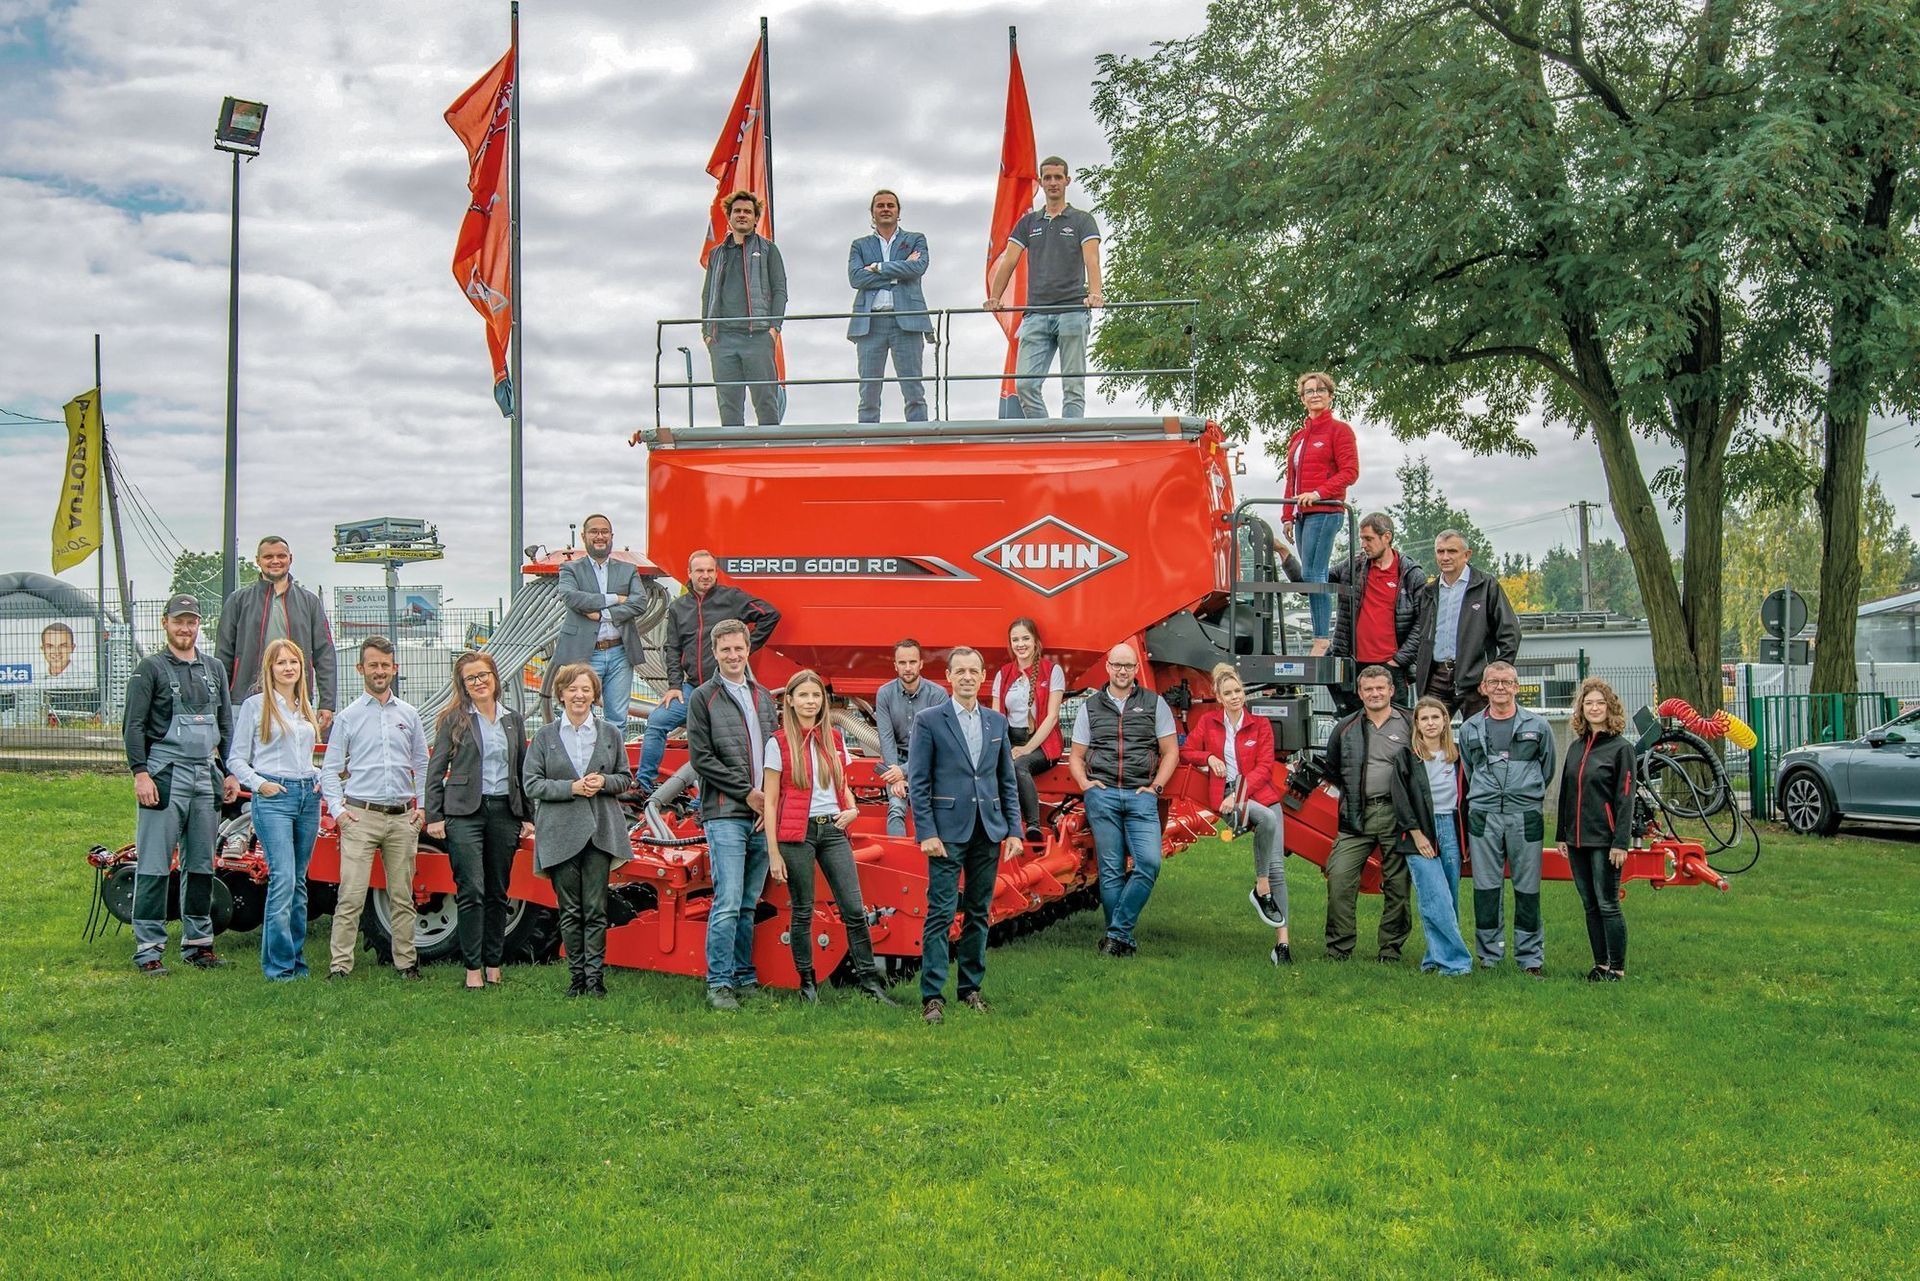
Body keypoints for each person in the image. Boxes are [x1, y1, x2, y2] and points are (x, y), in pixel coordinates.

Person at [762, 670, 898, 1005]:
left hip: (834, 830)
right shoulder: (777, 743)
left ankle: (870, 984)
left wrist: (852, 810)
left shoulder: (834, 739)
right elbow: (770, 800)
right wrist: (774, 853)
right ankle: (808, 985)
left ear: (824, 702)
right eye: (804, 696)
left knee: (853, 908)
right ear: (790, 701)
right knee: (803, 910)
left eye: (816, 696)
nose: (811, 702)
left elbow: (842, 786)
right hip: (797, 835)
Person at [907, 646, 1024, 1025]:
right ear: (949, 677)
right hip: (946, 834)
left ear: (983, 675)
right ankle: (933, 997)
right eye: (961, 671)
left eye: (974, 671)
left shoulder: (996, 723)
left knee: (978, 913)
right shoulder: (930, 720)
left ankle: (971, 989)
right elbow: (919, 781)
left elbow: (1007, 781)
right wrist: (926, 831)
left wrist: (1014, 830)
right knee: (940, 914)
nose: (968, 677)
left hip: (987, 831)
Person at [124, 594, 240, 975]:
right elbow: (134, 726)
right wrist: (140, 773)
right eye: (179, 621)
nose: (185, 628)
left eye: (191, 621)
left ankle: (198, 944)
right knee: (155, 865)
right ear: (165, 623)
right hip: (164, 774)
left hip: (206, 774)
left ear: (198, 625)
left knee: (203, 865)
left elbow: (225, 725)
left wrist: (229, 771)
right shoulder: (150, 669)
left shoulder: (214, 669)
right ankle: (149, 948)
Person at [320, 636, 429, 981]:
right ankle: (340, 966)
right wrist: (338, 811)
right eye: (373, 665)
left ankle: (406, 963)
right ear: (360, 669)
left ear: (394, 668)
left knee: (402, 896)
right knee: (351, 897)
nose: (379, 671)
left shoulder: (409, 715)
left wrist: (422, 808)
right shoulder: (349, 718)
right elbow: (330, 768)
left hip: (401, 818)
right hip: (360, 816)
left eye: (385, 665)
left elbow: (422, 764)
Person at [523, 663, 633, 998]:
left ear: (594, 696)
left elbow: (625, 779)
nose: (579, 695)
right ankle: (576, 979)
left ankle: (595, 979)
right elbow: (532, 783)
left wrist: (603, 782)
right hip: (559, 831)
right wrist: (570, 788)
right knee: (570, 909)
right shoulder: (544, 737)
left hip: (599, 831)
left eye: (585, 689)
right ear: (560, 694)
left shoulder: (610, 734)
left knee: (595, 908)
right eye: (572, 689)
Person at [425, 651, 533, 990]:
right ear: (463, 684)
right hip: (464, 814)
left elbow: (522, 770)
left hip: (504, 812)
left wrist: (527, 816)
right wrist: (434, 815)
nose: (479, 682)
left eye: (484, 674)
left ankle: (493, 963)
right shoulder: (454, 719)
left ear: (495, 677)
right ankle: (472, 967)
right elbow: (435, 768)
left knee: (499, 892)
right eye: (471, 678)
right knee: (471, 889)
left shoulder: (513, 719)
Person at [686, 618, 780, 1010]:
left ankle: (744, 975)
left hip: (761, 815)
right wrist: (748, 793)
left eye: (738, 648)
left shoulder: (763, 698)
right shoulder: (703, 698)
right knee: (727, 899)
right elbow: (701, 759)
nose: (733, 655)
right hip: (726, 812)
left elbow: (776, 754)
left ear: (747, 649)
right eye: (725, 649)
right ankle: (719, 983)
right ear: (715, 652)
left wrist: (770, 804)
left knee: (748, 902)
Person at [1067, 643, 1178, 956]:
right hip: (1102, 797)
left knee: (1149, 863)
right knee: (1111, 870)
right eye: (1117, 665)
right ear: (1108, 667)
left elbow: (1170, 752)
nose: (1122, 671)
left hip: (1141, 795)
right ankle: (1118, 942)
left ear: (1135, 670)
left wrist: (1156, 787)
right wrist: (1086, 785)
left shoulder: (1154, 704)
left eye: (1128, 666)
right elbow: (1077, 755)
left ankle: (1117, 935)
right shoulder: (1090, 707)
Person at [637, 550, 781, 790]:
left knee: (717, 742)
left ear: (716, 573)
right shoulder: (678, 608)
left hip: (726, 690)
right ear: (689, 574)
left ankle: (700, 802)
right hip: (692, 689)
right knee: (657, 721)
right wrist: (674, 686)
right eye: (700, 571)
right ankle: (643, 786)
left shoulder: (732, 598)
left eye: (710, 571)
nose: (705, 576)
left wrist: (745, 649)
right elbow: (672, 648)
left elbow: (770, 615)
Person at [1180, 663, 1291, 965]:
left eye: (1238, 691)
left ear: (1244, 692)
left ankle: (1282, 944)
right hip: (1229, 800)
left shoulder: (1260, 725)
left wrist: (1238, 795)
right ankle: (1260, 885)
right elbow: (1187, 752)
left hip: (1257, 794)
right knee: (1266, 820)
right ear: (1218, 696)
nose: (1234, 697)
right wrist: (1210, 756)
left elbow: (1265, 768)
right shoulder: (1208, 723)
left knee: (1278, 867)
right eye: (1227, 693)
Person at [227, 637, 321, 980]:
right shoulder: (256, 706)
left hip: (306, 796)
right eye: (281, 663)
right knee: (282, 878)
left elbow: (305, 757)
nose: (288, 668)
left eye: (293, 662)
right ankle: (279, 966)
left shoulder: (303, 705)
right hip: (274, 796)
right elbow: (235, 758)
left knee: (298, 881)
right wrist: (258, 784)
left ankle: (297, 960)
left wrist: (318, 775)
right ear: (270, 668)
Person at [1456, 660, 1556, 975]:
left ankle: (1530, 959)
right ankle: (1490, 956)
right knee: (1486, 887)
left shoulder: (1538, 726)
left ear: (1516, 687)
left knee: (1527, 888)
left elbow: (1548, 768)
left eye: (1507, 682)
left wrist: (1524, 792)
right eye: (1494, 682)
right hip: (1483, 815)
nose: (1500, 687)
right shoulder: (1469, 728)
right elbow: (1469, 771)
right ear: (1483, 688)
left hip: (1524, 815)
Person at [984, 156, 1103, 419]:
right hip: (1036, 313)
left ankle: (1070, 441)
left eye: (1058, 177)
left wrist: (1096, 293)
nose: (1052, 183)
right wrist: (995, 297)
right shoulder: (1029, 223)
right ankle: (1049, 435)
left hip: (1072, 309)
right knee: (1025, 384)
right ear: (1041, 181)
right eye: (1047, 178)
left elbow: (1091, 259)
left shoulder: (1082, 220)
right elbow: (1009, 260)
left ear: (1067, 181)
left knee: (1073, 386)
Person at [1319, 665, 1414, 962]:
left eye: (1380, 688)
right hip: (1356, 817)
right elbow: (1333, 770)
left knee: (1398, 887)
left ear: (1391, 690)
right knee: (1339, 879)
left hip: (1397, 815)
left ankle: (1390, 949)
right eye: (1368, 689)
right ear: (1360, 693)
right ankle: (1339, 948)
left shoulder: (1410, 723)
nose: (1374, 693)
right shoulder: (1345, 728)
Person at [1556, 677, 1637, 982]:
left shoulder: (1621, 749)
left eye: (1599, 703)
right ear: (1581, 709)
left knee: (1607, 903)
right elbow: (1566, 791)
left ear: (1610, 707)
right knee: (1589, 904)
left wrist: (1620, 842)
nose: (1594, 708)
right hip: (1576, 839)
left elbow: (1624, 798)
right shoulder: (1576, 748)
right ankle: (1600, 963)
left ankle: (1617, 967)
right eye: (1588, 703)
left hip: (1605, 840)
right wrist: (1562, 835)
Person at [216, 535, 338, 731]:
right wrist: (219, 702)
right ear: (258, 561)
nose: (275, 561)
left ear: (290, 558)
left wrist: (327, 703)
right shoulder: (238, 601)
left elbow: (325, 654)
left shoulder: (309, 602)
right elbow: (223, 654)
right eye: (268, 557)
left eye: (281, 556)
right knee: (243, 758)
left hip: (296, 699)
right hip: (245, 699)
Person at [1389, 697, 1474, 977]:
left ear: (1445, 721)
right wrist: (1416, 835)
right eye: (1424, 718)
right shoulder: (1407, 756)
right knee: (1433, 896)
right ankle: (1457, 963)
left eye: (1435, 718)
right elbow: (1400, 800)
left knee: (1448, 898)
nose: (1430, 723)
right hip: (1420, 830)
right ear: (1416, 723)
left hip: (1450, 827)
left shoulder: (1458, 755)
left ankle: (1433, 958)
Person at [553, 514, 651, 739]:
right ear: (584, 536)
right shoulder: (570, 569)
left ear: (611, 536)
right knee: (577, 712)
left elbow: (639, 602)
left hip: (620, 652)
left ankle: (612, 770)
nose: (600, 536)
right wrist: (616, 598)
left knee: (617, 718)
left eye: (604, 532)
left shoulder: (628, 570)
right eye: (594, 532)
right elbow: (570, 596)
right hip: (584, 654)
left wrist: (602, 614)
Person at [1282, 372, 1359, 654]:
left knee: (1316, 574)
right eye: (1309, 391)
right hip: (1302, 514)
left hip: (1325, 511)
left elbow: (1350, 472)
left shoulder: (1339, 431)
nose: (1315, 394)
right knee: (1310, 575)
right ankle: (1319, 635)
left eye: (1320, 390)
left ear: (1330, 395)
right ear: (1302, 399)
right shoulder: (1299, 437)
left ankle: (1321, 639)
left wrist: (1318, 493)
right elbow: (1291, 479)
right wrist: (1287, 514)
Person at [1411, 529, 1521, 719]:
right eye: (1440, 551)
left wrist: (1495, 676)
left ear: (1467, 555)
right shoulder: (1429, 592)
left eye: (1452, 551)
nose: (1445, 557)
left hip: (1476, 680)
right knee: (1429, 735)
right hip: (1435, 678)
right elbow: (1419, 634)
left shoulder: (1486, 586)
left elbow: (1510, 633)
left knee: (1480, 738)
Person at [702, 189, 787, 426]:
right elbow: (707, 294)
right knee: (728, 405)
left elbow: (780, 291)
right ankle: (732, 457)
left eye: (747, 211)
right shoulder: (717, 254)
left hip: (758, 336)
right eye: (737, 211)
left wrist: (774, 329)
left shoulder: (769, 249)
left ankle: (770, 456)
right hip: (723, 339)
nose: (742, 215)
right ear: (729, 216)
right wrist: (707, 334)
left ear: (756, 218)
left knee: (766, 402)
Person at [846, 188, 931, 422]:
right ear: (872, 212)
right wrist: (898, 271)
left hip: (907, 322)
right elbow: (856, 278)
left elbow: (917, 267)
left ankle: (918, 441)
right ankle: (867, 444)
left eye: (890, 205)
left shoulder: (915, 239)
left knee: (913, 389)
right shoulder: (859, 245)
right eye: (880, 205)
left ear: (898, 211)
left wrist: (878, 268)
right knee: (868, 392)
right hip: (870, 323)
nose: (885, 209)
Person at [1329, 512, 1426, 712]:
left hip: (1392, 669)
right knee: (1357, 730)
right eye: (1362, 539)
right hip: (1356, 666)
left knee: (1396, 731)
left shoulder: (1410, 575)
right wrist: (1285, 555)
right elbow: (1316, 581)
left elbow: (1424, 623)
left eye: (1369, 539)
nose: (1363, 544)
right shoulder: (1354, 566)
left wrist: (1399, 660)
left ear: (1387, 537)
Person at [991, 617, 1065, 841]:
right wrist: (1003, 748)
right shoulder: (1003, 674)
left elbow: (1052, 717)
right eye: (1015, 640)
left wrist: (1026, 749)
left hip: (1043, 743)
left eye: (1025, 638)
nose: (1020, 644)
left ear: (1036, 642)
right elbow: (996, 718)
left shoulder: (1052, 671)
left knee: (1018, 765)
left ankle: (1032, 825)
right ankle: (996, 825)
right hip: (1011, 739)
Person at [874, 638, 946, 837]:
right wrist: (894, 775)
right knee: (896, 808)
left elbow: (937, 744)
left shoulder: (938, 695)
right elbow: (886, 738)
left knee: (927, 808)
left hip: (930, 761)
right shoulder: (884, 694)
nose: (908, 668)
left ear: (921, 663)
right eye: (902, 663)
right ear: (895, 665)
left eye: (912, 662)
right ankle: (897, 858)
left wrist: (903, 772)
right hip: (896, 760)